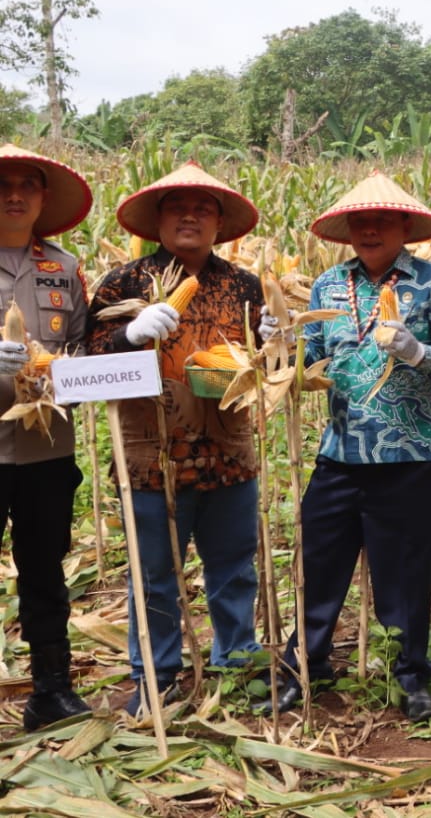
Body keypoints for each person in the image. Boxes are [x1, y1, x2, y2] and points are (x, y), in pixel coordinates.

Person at [257, 172, 431, 721]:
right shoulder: (329, 285)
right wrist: (278, 339)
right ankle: (306, 662)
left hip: (410, 453)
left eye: (382, 221)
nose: (369, 230)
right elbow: (304, 365)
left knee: (405, 570)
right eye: (360, 222)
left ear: (404, 227)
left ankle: (409, 672)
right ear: (348, 229)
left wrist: (419, 351)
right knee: (318, 563)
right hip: (339, 451)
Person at [87, 162, 265, 713]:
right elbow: (84, 362)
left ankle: (237, 664)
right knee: (154, 576)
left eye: (204, 207)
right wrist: (126, 336)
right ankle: (156, 677)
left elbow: (265, 365)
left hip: (228, 454)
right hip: (149, 456)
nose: (190, 215)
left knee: (234, 568)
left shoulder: (243, 285)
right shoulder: (122, 284)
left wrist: (278, 340)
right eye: (176, 206)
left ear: (218, 222)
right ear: (158, 220)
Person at [0, 145, 93, 729]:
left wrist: (68, 378)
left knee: (44, 569)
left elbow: (82, 348)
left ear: (42, 198)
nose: (13, 196)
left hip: (46, 450)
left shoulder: (64, 267)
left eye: (26, 186)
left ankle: (51, 689)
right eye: (2, 185)